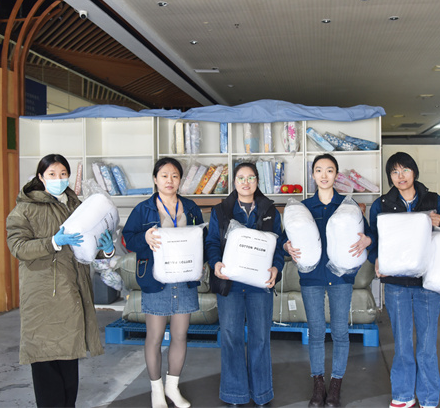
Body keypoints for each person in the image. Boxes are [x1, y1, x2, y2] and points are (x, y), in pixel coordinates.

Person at [6, 153, 113, 407]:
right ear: (40, 177)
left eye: (63, 174)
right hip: (43, 296)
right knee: (45, 363)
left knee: (68, 363)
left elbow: (87, 245)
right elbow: (18, 247)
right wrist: (53, 242)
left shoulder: (76, 205)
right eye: (52, 174)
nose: (59, 179)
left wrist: (106, 250)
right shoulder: (24, 209)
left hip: (72, 292)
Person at [283, 153, 372, 407]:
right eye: (319, 170)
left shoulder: (348, 207)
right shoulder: (302, 208)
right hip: (311, 277)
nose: (324, 175)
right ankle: (318, 384)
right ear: (313, 175)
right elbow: (284, 239)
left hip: (340, 277)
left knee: (341, 332)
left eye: (329, 170)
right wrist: (286, 246)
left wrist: (368, 240)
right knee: (316, 332)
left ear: (336, 175)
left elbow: (367, 233)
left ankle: (335, 385)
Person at [368, 152, 440, 408]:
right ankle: (403, 394)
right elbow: (373, 239)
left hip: (428, 282)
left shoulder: (433, 200)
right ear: (390, 177)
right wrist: (376, 259)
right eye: (395, 172)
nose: (401, 176)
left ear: (414, 172)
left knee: (427, 344)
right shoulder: (382, 204)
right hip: (396, 284)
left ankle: (428, 397)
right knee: (402, 343)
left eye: (405, 170)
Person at [122, 157, 204, 408]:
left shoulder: (190, 207)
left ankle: (172, 388)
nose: (170, 180)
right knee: (155, 337)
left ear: (180, 180)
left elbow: (202, 237)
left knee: (180, 335)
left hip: (184, 279)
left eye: (175, 176)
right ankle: (156, 390)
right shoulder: (143, 209)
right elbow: (127, 239)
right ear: (155, 179)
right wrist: (144, 239)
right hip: (156, 279)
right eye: (164, 176)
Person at [205, 162, 286, 406]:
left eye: (251, 178)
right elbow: (212, 242)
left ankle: (262, 393)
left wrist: (276, 268)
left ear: (257, 181)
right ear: (234, 182)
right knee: (231, 337)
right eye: (241, 177)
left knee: (260, 337)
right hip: (229, 284)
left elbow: (278, 246)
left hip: (259, 285)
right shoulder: (221, 211)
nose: (246, 182)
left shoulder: (270, 210)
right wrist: (216, 263)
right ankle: (234, 393)